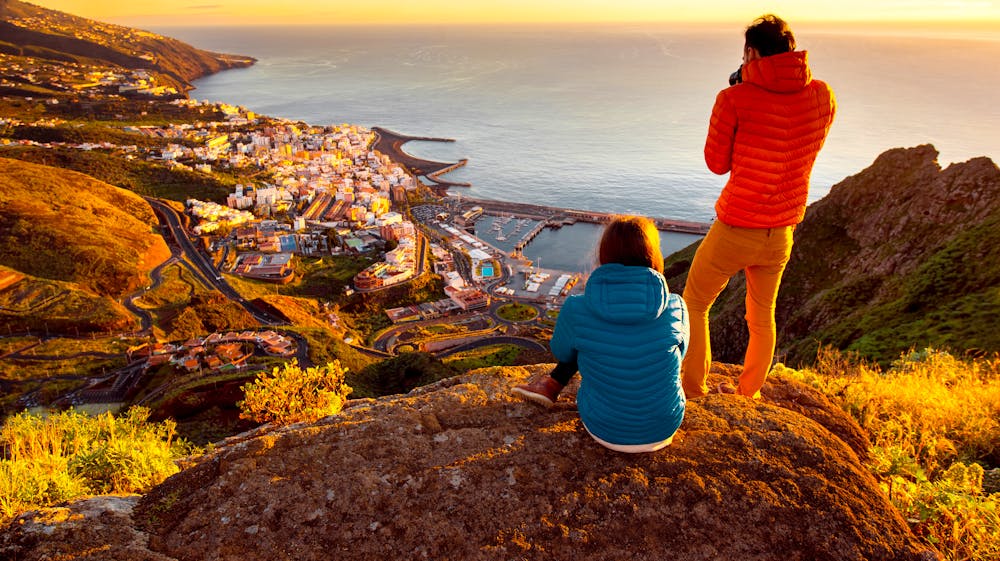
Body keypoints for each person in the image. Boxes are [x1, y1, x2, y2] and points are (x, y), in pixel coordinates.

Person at [681, 14, 836, 399]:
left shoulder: (733, 99)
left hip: (736, 226)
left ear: (750, 52)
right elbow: (803, 144)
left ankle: (694, 391)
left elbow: (717, 164)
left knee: (695, 304)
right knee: (762, 316)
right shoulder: (823, 95)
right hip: (781, 230)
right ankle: (747, 392)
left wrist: (740, 90)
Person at [512, 216, 689, 453]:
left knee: (585, 338)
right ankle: (550, 385)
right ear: (653, 254)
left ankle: (550, 384)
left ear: (604, 255)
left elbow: (562, 352)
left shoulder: (577, 307)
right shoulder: (675, 305)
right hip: (664, 426)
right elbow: (681, 352)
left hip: (603, 427)